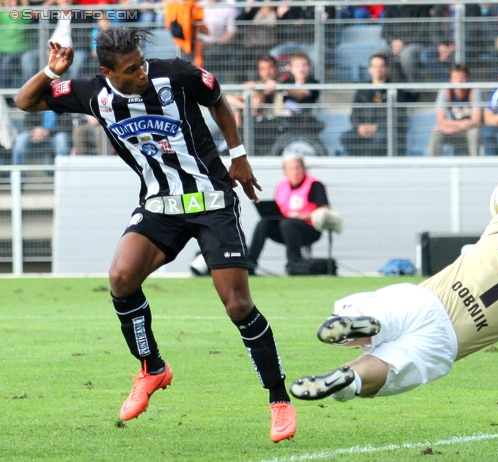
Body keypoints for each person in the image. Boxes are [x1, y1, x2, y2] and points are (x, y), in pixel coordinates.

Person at [14, 27, 296, 443]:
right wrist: (50, 69)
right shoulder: (94, 93)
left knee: (237, 304)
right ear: (109, 71)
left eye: (142, 62)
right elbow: (25, 102)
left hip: (210, 202)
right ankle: (152, 368)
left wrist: (238, 156)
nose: (142, 72)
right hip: (159, 206)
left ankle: (279, 400)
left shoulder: (174, 74)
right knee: (121, 279)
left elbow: (216, 98)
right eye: (132, 69)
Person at [289, 144, 498, 403]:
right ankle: (349, 381)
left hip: (426, 301)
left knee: (377, 311)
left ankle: (361, 322)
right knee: (388, 367)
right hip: (443, 345)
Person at [247, 152, 329, 274]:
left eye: (297, 168)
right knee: (263, 224)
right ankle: (249, 264)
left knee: (288, 223)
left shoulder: (314, 184)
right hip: (285, 228)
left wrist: (301, 216)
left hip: (309, 228)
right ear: (285, 171)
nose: (294, 172)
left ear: (304, 169)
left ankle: (295, 263)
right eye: (290, 169)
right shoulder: (282, 185)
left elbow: (325, 210)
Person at [340, 54, 413, 156]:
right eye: (375, 66)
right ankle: (360, 164)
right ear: (370, 69)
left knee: (380, 137)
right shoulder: (362, 90)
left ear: (387, 68)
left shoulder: (396, 90)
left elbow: (398, 116)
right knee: (347, 137)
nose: (378, 69)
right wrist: (360, 126)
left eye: (381, 66)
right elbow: (354, 114)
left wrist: (376, 127)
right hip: (365, 128)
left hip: (386, 131)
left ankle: (370, 165)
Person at [428, 63, 482, 156]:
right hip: (456, 128)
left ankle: (475, 164)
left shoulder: (474, 91)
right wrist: (459, 125)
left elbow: (476, 121)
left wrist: (454, 127)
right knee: (436, 133)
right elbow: (440, 120)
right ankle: (434, 167)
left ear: (467, 78)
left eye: (462, 78)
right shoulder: (446, 91)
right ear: (451, 79)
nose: (459, 81)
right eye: (456, 78)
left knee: (474, 133)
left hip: (469, 129)